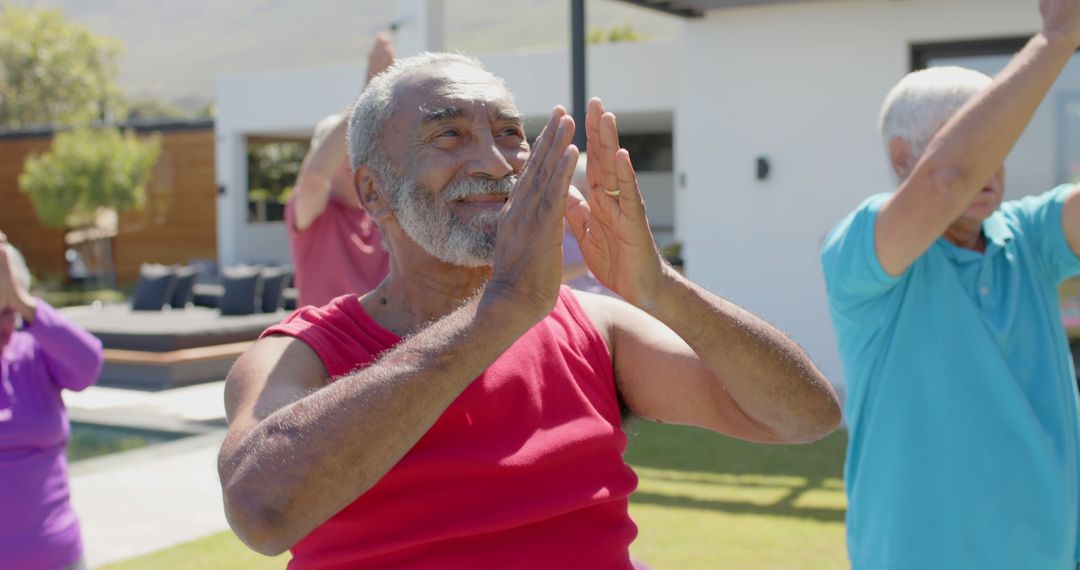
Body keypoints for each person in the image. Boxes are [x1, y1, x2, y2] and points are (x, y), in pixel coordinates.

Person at [219, 52, 840, 568]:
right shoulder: (300, 353)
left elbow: (803, 417)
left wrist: (662, 290)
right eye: (449, 134)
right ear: (373, 191)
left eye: (510, 133)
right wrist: (503, 308)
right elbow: (263, 513)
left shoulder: (594, 329)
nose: (495, 162)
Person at [820, 2, 1080, 568]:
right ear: (900, 156)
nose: (990, 162)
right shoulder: (860, 247)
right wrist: (1060, 37)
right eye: (969, 139)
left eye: (998, 140)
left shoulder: (1029, 235)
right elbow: (947, 179)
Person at [0, 234, 104, 570]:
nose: (4, 322)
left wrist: (22, 299)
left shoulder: (34, 353)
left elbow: (88, 363)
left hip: (57, 556)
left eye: (7, 310)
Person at [286, 34, 394, 308]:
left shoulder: (385, 212)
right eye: (342, 148)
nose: (351, 158)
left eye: (357, 147)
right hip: (325, 345)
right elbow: (314, 178)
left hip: (383, 345)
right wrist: (370, 94)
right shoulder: (315, 216)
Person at [563, 155, 614, 296]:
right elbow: (547, 281)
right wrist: (592, 262)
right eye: (582, 191)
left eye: (595, 191)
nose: (588, 198)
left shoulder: (607, 231)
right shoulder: (551, 234)